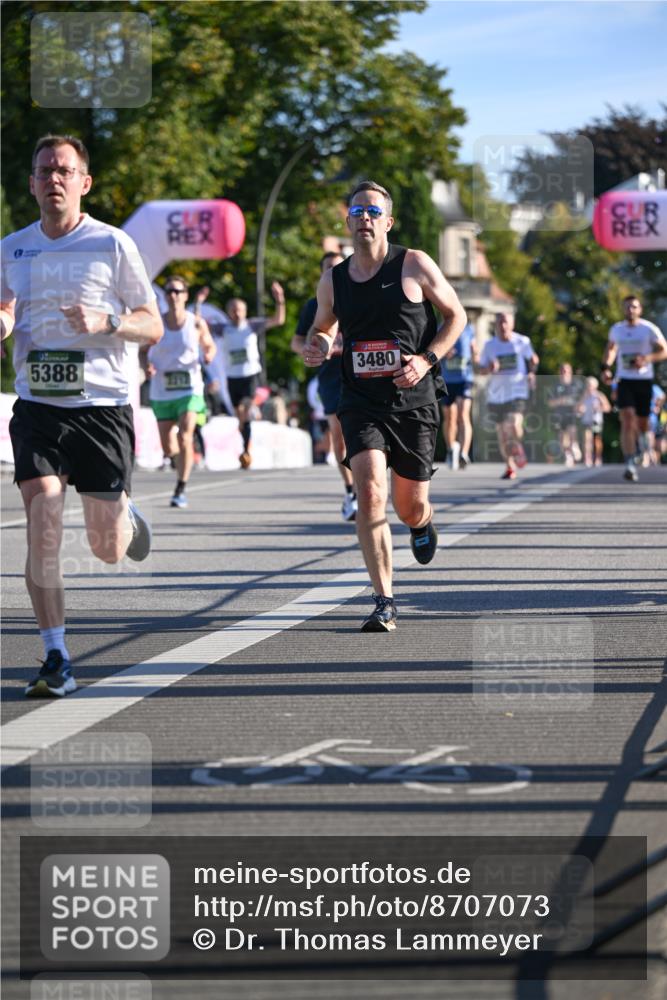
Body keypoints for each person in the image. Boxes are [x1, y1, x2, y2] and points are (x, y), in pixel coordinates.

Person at [0, 133, 162, 698]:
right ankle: (55, 655)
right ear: (32, 183)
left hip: (101, 409)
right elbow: (2, 310)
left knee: (105, 548)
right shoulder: (10, 248)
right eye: (44, 170)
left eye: (64, 170)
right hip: (39, 408)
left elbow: (153, 324)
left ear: (84, 182)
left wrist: (107, 323)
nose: (54, 179)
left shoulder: (113, 245)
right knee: (42, 524)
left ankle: (124, 514)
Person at [303, 180, 466, 632]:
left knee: (408, 504)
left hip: (414, 400)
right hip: (360, 400)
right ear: (348, 221)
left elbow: (457, 316)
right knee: (370, 492)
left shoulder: (414, 264)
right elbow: (322, 327)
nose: (365, 218)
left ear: (388, 222)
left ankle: (422, 522)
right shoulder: (334, 279)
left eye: (373, 211)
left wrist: (427, 359)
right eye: (357, 212)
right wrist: (318, 345)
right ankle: (384, 599)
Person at [292, 252, 358, 520]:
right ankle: (351, 490)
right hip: (331, 378)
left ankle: (370, 482)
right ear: (323, 274)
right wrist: (309, 349)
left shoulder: (360, 299)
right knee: (338, 435)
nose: (335, 271)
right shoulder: (314, 306)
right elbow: (296, 342)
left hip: (362, 375)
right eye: (329, 268)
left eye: (339, 266)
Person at [145, 276, 215, 508]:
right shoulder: (156, 323)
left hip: (190, 388)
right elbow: (142, 350)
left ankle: (181, 488)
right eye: (169, 291)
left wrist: (209, 355)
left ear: (185, 295)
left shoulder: (195, 323)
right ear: (165, 296)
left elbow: (209, 345)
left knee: (185, 435)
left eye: (178, 291)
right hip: (162, 390)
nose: (173, 295)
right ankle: (178, 462)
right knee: (169, 446)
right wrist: (145, 364)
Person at [217, 282, 285, 468]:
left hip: (250, 376)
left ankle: (246, 451)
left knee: (246, 410)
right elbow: (200, 326)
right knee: (240, 416)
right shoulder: (223, 329)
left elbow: (278, 320)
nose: (236, 313)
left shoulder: (252, 325)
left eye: (239, 310)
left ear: (245, 311)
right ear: (228, 311)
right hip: (232, 378)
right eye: (232, 310)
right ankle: (245, 442)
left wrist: (279, 300)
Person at [601, 295, 667, 482]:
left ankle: (643, 439)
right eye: (628, 307)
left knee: (642, 422)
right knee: (627, 418)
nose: (631, 310)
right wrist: (606, 368)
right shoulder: (617, 329)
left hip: (644, 380)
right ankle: (629, 462)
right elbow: (611, 349)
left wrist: (646, 359)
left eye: (634, 307)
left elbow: (664, 350)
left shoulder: (648, 329)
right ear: (623, 309)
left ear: (640, 309)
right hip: (624, 380)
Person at [478, 312, 539, 479]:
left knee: (512, 424)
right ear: (495, 325)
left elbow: (533, 360)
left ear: (512, 324)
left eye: (505, 322)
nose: (502, 326)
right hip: (496, 395)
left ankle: (517, 445)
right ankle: (510, 466)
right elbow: (480, 370)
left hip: (517, 391)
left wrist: (532, 372)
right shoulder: (490, 345)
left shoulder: (522, 342)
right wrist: (488, 369)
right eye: (499, 323)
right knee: (502, 434)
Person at [440, 319, 478, 470]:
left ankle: (464, 453)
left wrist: (478, 359)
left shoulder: (468, 329)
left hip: (465, 379)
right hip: (447, 379)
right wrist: (443, 354)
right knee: (450, 417)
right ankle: (451, 449)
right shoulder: (439, 328)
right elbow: (432, 351)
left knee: (463, 414)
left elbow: (475, 351)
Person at [547, 362, 583, 466]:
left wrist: (581, 406)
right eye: (562, 371)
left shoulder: (576, 384)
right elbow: (550, 403)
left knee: (572, 433)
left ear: (570, 372)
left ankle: (574, 447)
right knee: (562, 439)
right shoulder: (555, 386)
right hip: (559, 415)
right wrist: (561, 401)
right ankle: (568, 454)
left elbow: (582, 397)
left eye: (566, 370)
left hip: (573, 414)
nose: (564, 373)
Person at [577, 376, 611, 466]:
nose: (589, 387)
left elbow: (608, 408)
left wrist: (599, 408)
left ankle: (597, 457)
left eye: (591, 385)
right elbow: (577, 407)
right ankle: (587, 458)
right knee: (586, 439)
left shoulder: (599, 395)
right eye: (588, 385)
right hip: (586, 420)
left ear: (595, 386)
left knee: (596, 440)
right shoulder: (584, 395)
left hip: (596, 420)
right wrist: (580, 409)